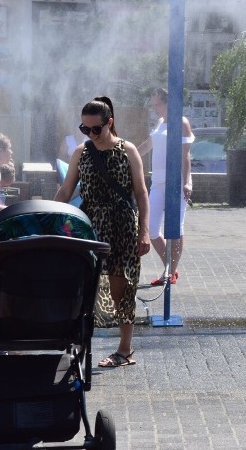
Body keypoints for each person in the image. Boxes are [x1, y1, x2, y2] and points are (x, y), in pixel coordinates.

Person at [54, 96, 150, 368]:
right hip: (90, 224)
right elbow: (65, 190)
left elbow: (141, 194)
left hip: (122, 226)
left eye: (96, 129)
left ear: (110, 122)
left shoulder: (127, 150)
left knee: (122, 287)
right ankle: (77, 344)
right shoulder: (81, 153)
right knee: (85, 287)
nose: (91, 134)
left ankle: (125, 349)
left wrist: (144, 232)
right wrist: (47, 212)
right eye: (85, 129)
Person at [137, 88, 194, 286]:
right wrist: (126, 156)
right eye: (153, 105)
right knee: (150, 228)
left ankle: (169, 273)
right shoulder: (160, 123)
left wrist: (186, 182)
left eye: (157, 104)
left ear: (168, 103)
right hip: (158, 182)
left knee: (175, 228)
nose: (155, 109)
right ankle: (171, 268)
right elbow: (146, 146)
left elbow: (185, 155)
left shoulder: (181, 122)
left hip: (176, 182)